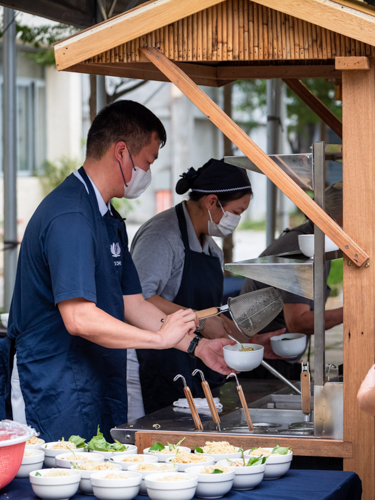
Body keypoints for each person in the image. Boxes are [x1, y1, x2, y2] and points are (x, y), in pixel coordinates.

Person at [0, 101, 234, 441]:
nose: (148, 173)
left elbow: (132, 303)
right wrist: (158, 339)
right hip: (54, 381)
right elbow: (79, 318)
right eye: (148, 161)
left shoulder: (107, 217)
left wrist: (196, 346)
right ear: (121, 152)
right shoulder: (71, 216)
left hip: (96, 373)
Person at [130, 159, 284, 417]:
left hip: (192, 359)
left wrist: (253, 343)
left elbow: (211, 314)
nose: (237, 219)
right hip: (152, 361)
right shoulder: (161, 236)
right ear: (212, 202)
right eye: (236, 211)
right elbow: (139, 297)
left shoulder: (212, 250)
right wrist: (199, 321)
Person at [240, 181, 344, 380]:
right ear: (328, 219)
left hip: (282, 357)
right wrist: (354, 313)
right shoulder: (301, 248)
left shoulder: (321, 245)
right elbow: (298, 322)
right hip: (261, 362)